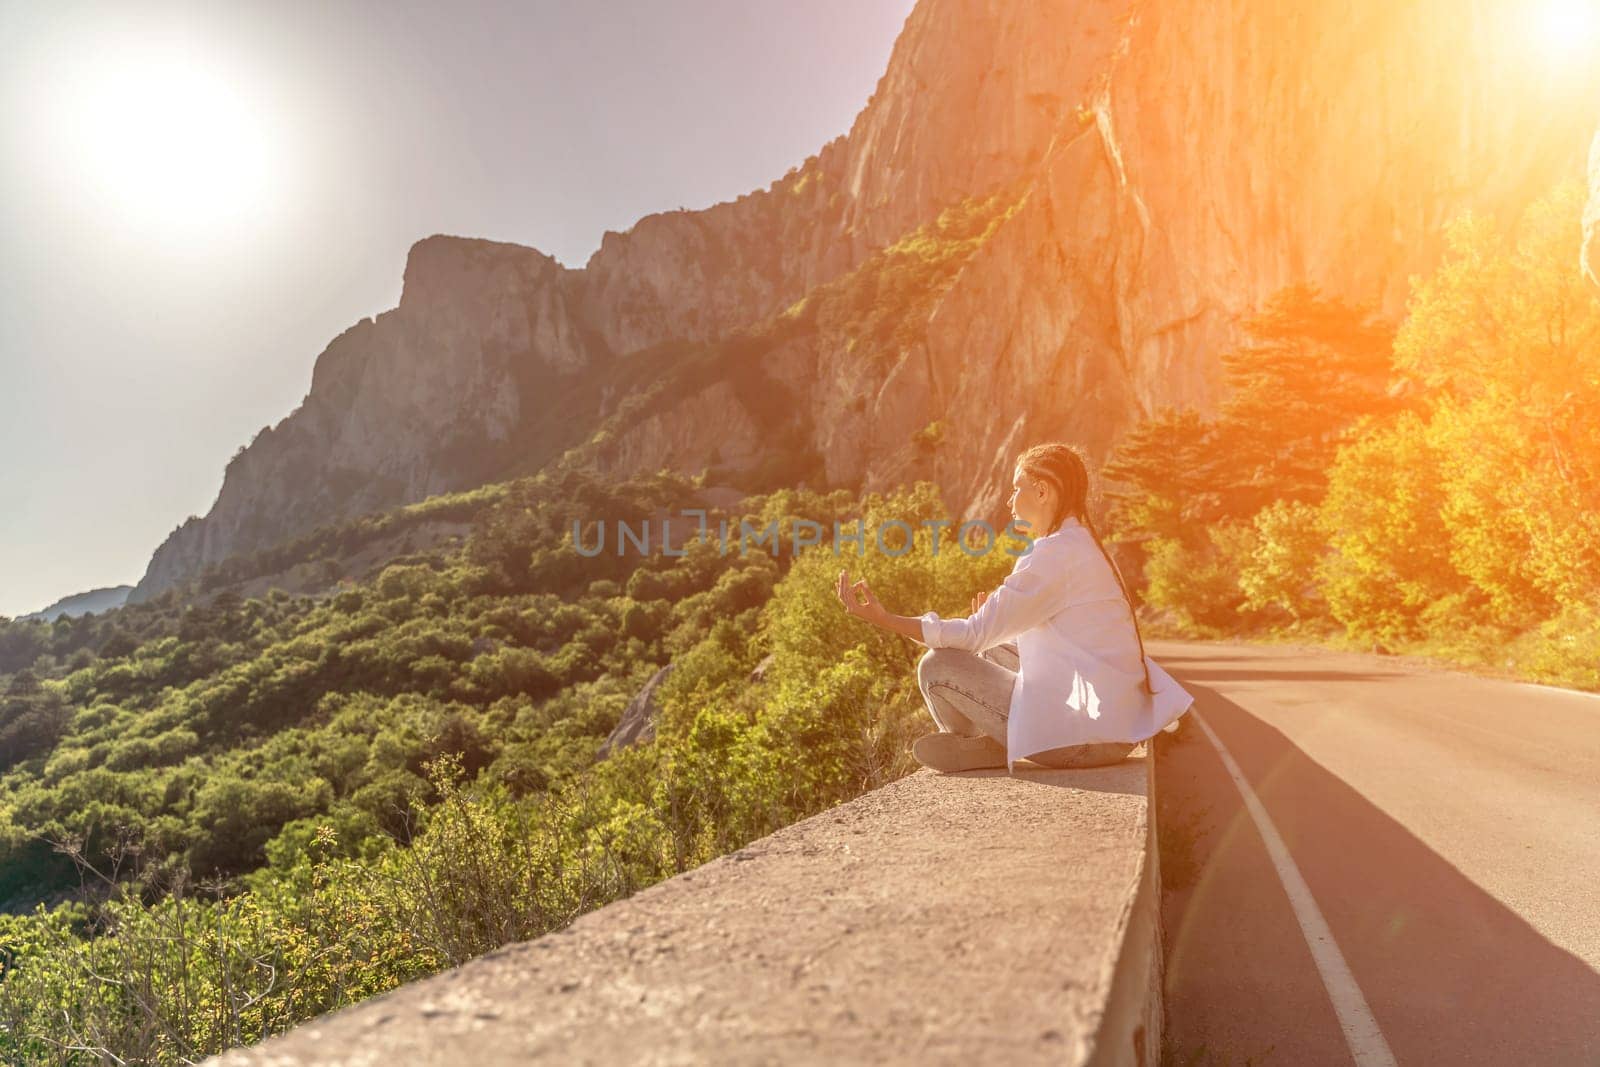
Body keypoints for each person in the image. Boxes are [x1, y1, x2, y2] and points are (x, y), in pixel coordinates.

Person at [834, 441, 1194, 773]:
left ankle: (981, 746)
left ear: (1042, 491)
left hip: (1081, 742)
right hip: (1115, 730)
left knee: (938, 664)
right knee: (992, 649)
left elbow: (973, 634)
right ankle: (993, 744)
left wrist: (883, 619)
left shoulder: (1053, 554)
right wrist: (990, 631)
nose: (1009, 501)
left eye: (1016, 487)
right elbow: (1044, 638)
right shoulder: (1082, 545)